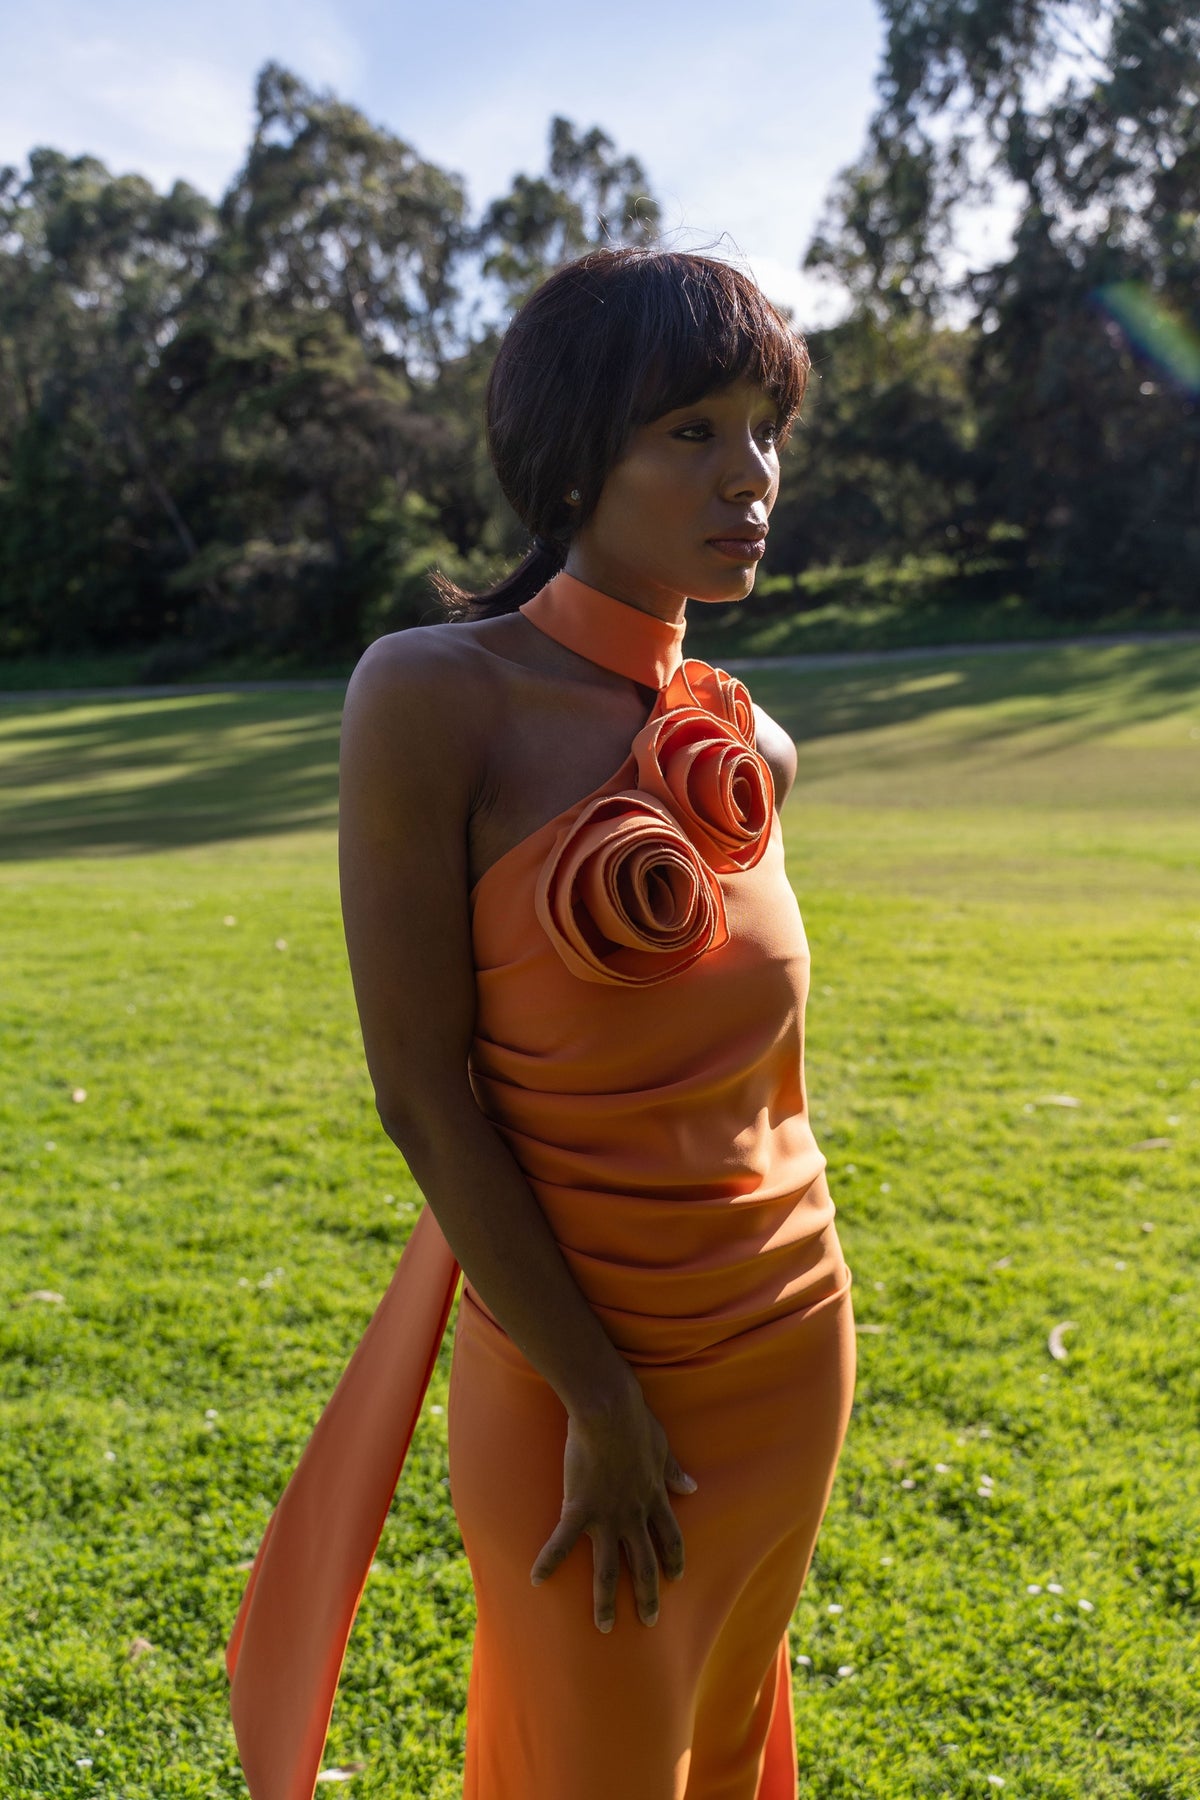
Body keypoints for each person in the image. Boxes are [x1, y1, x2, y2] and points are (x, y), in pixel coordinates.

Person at [226, 247, 856, 1800]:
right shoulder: (438, 695)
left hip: (785, 1349)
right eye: (692, 432)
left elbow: (762, 1085)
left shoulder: (747, 740)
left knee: (713, 1749)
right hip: (579, 1384)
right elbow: (422, 1094)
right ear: (576, 453)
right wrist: (601, 1399)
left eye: (764, 425)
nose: (752, 475)